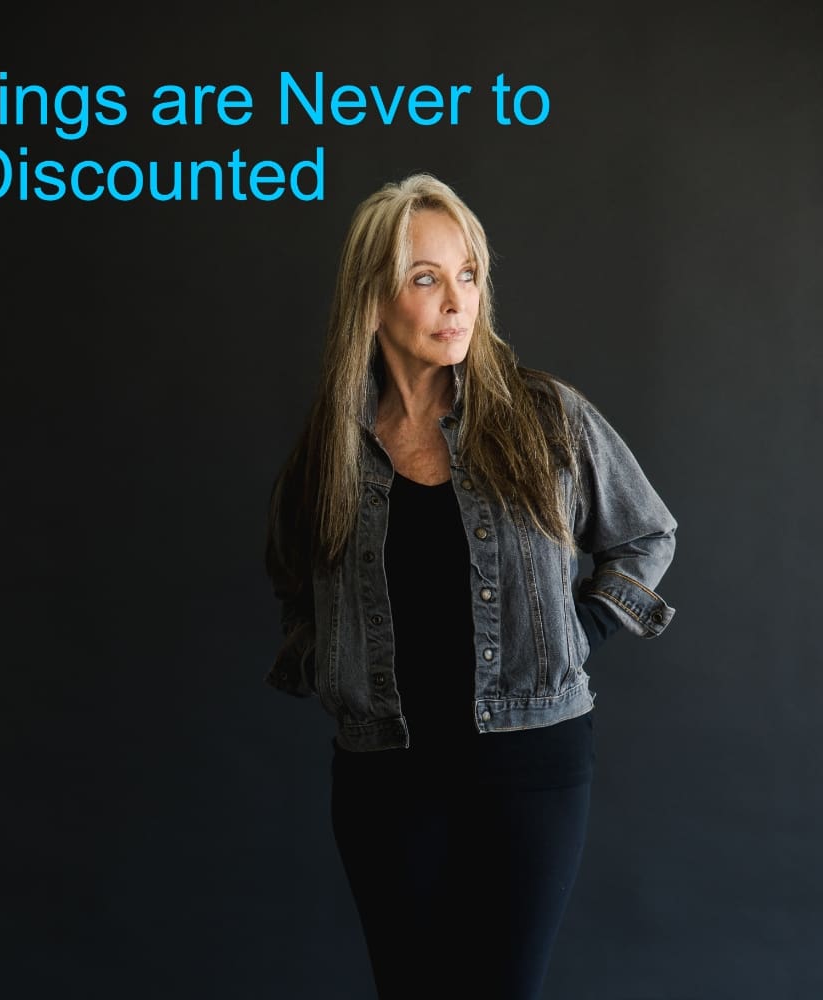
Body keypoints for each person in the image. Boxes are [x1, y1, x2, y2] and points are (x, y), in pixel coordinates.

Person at [264, 174, 677, 999]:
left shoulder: (544, 418)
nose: (456, 300)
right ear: (373, 300)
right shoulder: (333, 450)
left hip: (530, 768)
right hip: (384, 776)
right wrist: (335, 668)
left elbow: (645, 534)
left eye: (468, 275)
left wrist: (581, 628)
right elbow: (295, 578)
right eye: (426, 278)